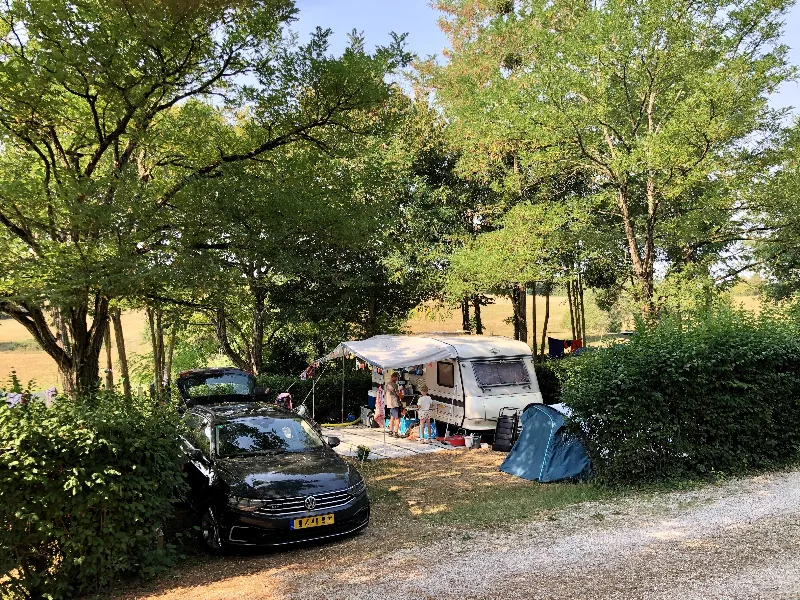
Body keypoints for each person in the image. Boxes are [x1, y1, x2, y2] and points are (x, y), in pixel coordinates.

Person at [385, 371, 404, 437]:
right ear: (394, 377)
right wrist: (402, 395)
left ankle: (390, 431)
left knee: (392, 417)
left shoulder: (388, 384)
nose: (397, 379)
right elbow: (398, 394)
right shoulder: (394, 384)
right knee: (398, 418)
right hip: (395, 403)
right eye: (396, 378)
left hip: (390, 403)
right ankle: (396, 432)